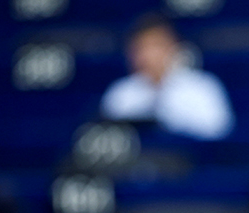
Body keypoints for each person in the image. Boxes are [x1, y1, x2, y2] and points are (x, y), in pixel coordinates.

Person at [100, 12, 234, 140]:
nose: (147, 55)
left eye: (154, 46)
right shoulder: (120, 92)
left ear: (173, 47)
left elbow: (219, 132)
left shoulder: (203, 87)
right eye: (140, 48)